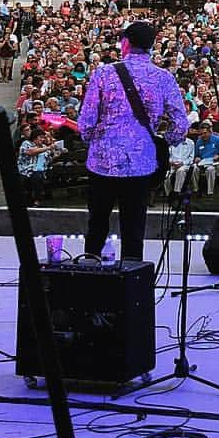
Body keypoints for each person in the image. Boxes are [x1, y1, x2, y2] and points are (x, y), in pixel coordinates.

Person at [79, 21, 188, 262]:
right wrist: (162, 141)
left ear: (125, 43)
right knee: (134, 228)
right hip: (141, 162)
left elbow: (85, 123)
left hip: (102, 161)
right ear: (151, 46)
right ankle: (132, 285)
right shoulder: (163, 77)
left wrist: (94, 138)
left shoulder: (103, 74)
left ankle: (88, 275)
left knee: (97, 224)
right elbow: (181, 124)